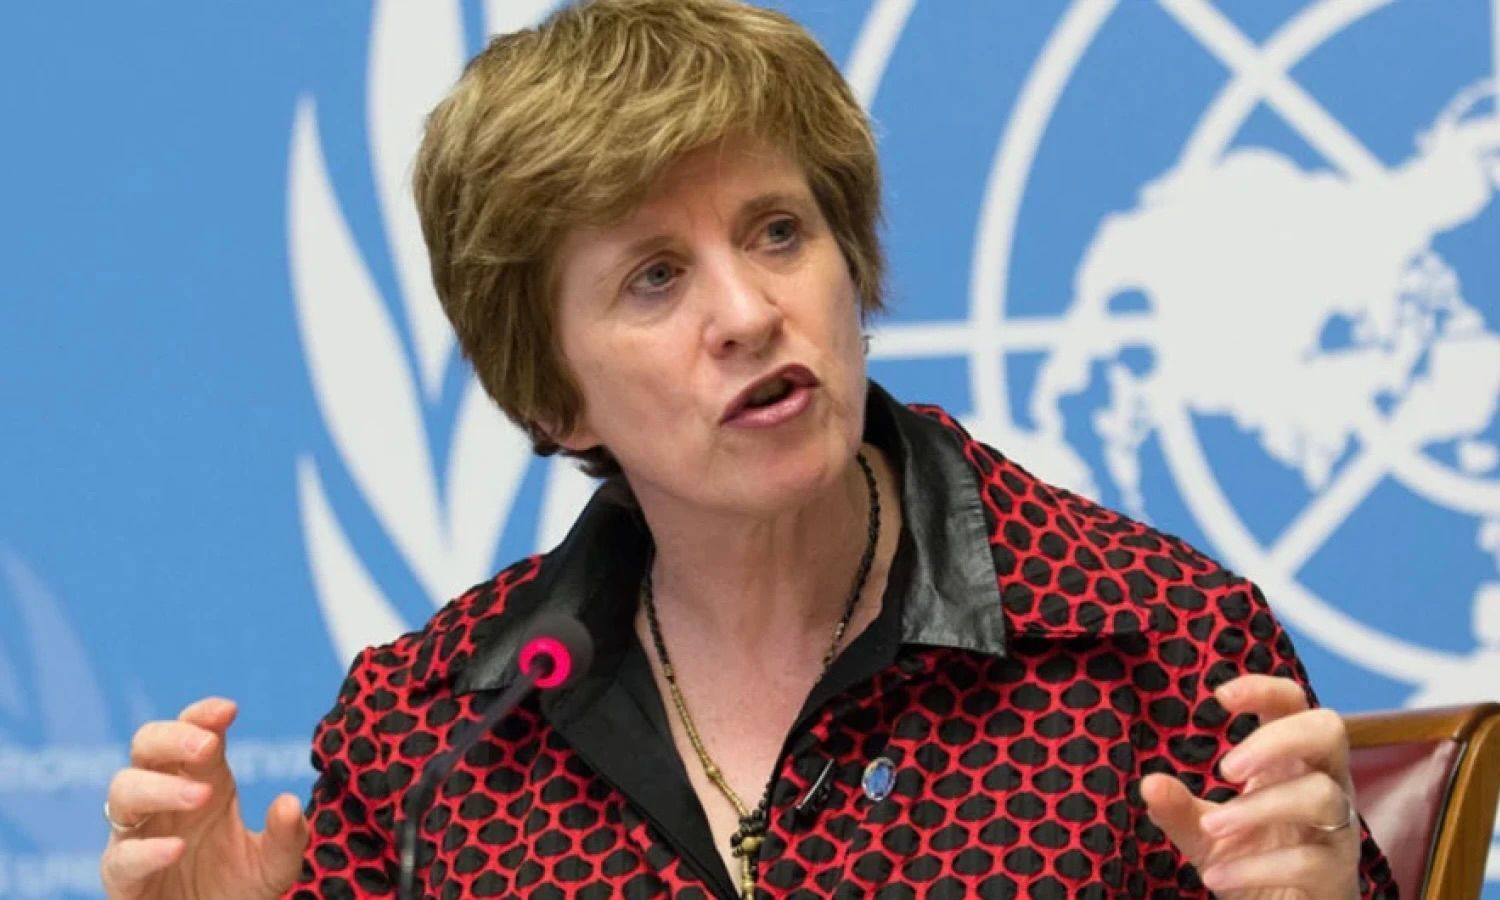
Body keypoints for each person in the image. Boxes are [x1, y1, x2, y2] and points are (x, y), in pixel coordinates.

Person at [100, 1, 1398, 897]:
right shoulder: (433, 734)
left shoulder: (1150, 642)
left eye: (778, 231)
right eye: (656, 278)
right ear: (557, 398)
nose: (748, 312)